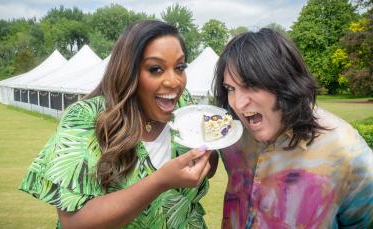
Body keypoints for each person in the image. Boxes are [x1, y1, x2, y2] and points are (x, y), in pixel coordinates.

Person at [20, 20, 217, 229]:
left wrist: (210, 151)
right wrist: (161, 181)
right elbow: (74, 222)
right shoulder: (86, 118)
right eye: (156, 69)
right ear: (128, 71)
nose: (174, 81)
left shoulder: (185, 105)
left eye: (179, 67)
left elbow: (208, 168)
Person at [213, 28, 373, 228]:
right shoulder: (232, 138)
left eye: (251, 85)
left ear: (284, 81)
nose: (238, 102)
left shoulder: (346, 152)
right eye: (230, 89)